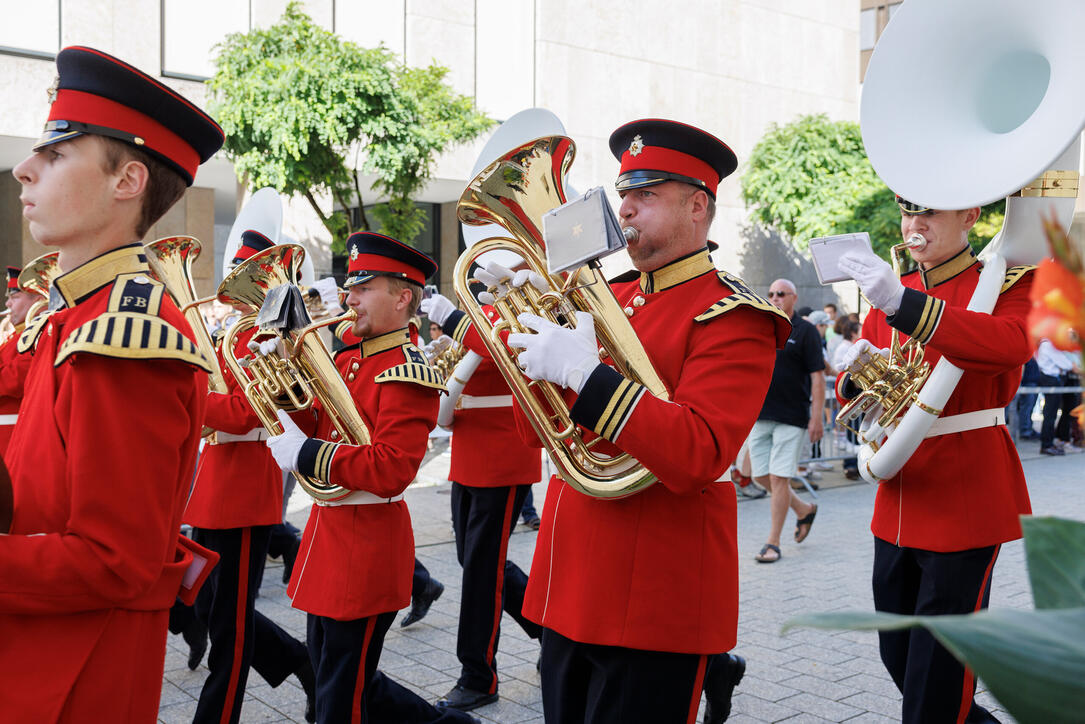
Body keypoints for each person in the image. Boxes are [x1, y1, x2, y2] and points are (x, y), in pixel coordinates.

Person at [499, 118, 791, 723]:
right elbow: (537, 436)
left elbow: (700, 452)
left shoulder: (733, 315)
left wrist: (586, 376)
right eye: (624, 193)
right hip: (570, 579)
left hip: (656, 594)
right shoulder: (610, 295)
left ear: (697, 206)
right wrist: (522, 333)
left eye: (646, 195)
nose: (624, 209)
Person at [0, 46, 222, 721]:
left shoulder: (123, 338)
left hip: (76, 675)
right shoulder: (74, 315)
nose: (24, 167)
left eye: (58, 152)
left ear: (127, 181)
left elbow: (111, 561)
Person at [265, 231, 477, 724]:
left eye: (364, 288)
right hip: (330, 539)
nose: (348, 297)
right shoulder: (346, 359)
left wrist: (308, 452)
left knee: (341, 697)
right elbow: (318, 423)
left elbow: (392, 469)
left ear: (403, 297)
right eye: (350, 287)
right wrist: (278, 382)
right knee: (334, 676)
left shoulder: (405, 370)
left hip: (365, 549)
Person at [837, 193, 1034, 724]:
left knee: (937, 678)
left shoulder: (1007, 281)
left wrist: (902, 305)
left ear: (970, 216)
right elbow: (868, 383)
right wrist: (855, 372)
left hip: (965, 492)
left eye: (928, 212)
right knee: (902, 661)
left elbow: (1009, 344)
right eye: (907, 212)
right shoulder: (896, 289)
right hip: (898, 493)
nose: (914, 225)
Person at [184, 230, 315, 724]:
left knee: (230, 631)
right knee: (208, 608)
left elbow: (243, 413)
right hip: (214, 487)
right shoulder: (233, 336)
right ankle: (299, 661)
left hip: (243, 492)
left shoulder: (267, 340)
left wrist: (189, 395)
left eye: (243, 279)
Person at [420, 287, 544, 712]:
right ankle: (550, 629)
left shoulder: (518, 310)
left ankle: (478, 675)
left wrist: (453, 320)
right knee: (472, 561)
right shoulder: (477, 314)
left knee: (480, 570)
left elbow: (498, 349)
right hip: (470, 451)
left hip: (505, 453)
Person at [748, 279, 823, 564]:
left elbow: (817, 376)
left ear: (794, 297)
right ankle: (803, 509)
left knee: (779, 478)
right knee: (760, 476)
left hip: (792, 416)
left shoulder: (806, 331)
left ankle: (773, 542)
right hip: (761, 413)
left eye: (780, 294)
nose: (775, 298)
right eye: (770, 294)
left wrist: (816, 417)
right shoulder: (764, 328)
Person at [0, 266, 44, 455]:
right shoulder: (14, 338)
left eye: (15, 297)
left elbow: (13, 381)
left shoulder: (34, 337)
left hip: (12, 435)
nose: (8, 304)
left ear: (38, 299)